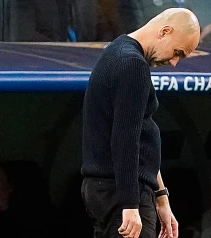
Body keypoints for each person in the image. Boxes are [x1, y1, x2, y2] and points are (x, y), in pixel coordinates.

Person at [81, 7, 200, 238]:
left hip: (111, 190)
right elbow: (125, 138)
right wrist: (130, 204)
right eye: (177, 52)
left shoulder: (118, 50)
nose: (174, 62)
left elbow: (142, 136)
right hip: (120, 192)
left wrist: (161, 197)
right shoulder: (133, 66)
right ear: (165, 31)